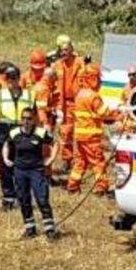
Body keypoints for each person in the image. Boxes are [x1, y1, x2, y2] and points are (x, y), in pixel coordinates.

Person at [0, 63, 37, 209]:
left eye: (14, 79)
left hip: (21, 131)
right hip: (3, 131)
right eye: (9, 80)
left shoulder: (29, 95)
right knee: (3, 165)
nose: (12, 82)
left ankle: (21, 196)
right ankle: (8, 197)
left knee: (21, 165)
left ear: (19, 79)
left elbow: (34, 116)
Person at [3, 108, 56, 239]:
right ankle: (30, 229)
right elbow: (6, 144)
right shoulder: (14, 132)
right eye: (24, 118)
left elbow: (55, 143)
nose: (26, 121)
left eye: (29, 119)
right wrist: (5, 158)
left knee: (42, 198)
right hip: (20, 170)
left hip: (36, 170)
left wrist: (51, 159)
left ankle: (50, 229)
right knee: (24, 199)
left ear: (34, 120)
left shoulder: (40, 132)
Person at [67, 64, 120, 195]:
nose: (100, 82)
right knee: (98, 162)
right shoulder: (93, 96)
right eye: (98, 79)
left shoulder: (79, 94)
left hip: (79, 136)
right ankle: (100, 188)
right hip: (91, 137)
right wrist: (118, 114)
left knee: (79, 162)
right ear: (92, 78)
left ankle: (73, 187)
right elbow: (104, 113)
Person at [48, 37, 83, 177]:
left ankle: (82, 162)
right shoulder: (56, 65)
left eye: (66, 50)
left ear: (72, 50)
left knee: (82, 133)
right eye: (61, 51)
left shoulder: (80, 63)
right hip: (64, 104)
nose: (64, 53)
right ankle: (67, 160)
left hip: (80, 103)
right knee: (66, 133)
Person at [23, 48, 53, 127]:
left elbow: (56, 94)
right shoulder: (25, 77)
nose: (38, 72)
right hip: (29, 117)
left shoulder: (49, 78)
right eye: (35, 69)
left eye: (40, 69)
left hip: (46, 116)